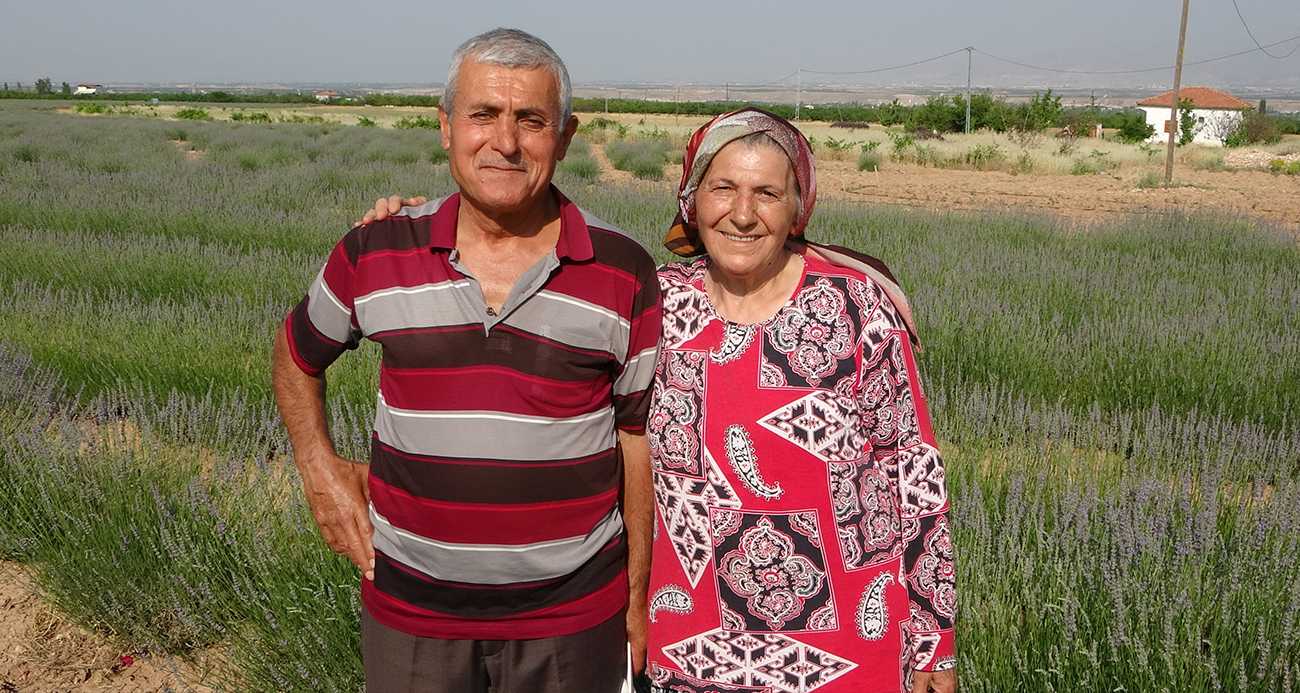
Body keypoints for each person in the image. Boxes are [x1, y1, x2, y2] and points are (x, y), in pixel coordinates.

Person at [362, 108, 958, 692]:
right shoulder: (656, 300)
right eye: (723, 188)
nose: (743, 214)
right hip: (687, 638)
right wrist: (416, 221)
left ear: (797, 209)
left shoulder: (857, 309)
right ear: (692, 201)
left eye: (768, 193)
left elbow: (914, 469)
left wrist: (936, 636)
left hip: (848, 643)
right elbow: (528, 263)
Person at [273, 28, 661, 693]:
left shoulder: (622, 267)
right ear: (446, 127)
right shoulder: (376, 251)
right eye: (483, 115)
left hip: (571, 622)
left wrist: (635, 598)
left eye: (530, 121)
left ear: (564, 139)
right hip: (413, 617)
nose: (504, 142)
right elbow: (295, 352)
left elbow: (637, 441)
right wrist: (318, 466)